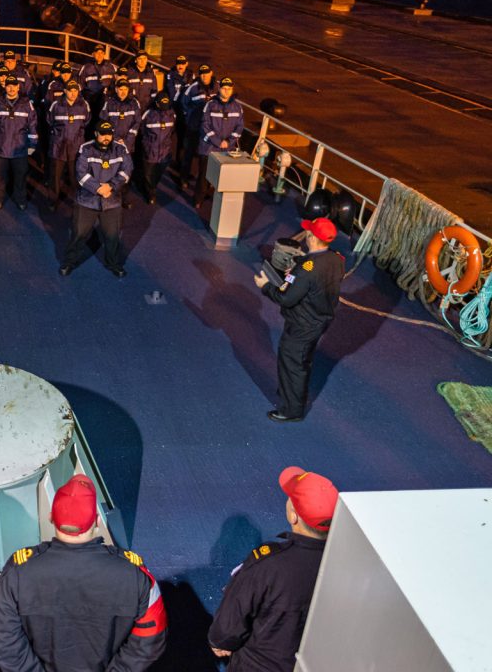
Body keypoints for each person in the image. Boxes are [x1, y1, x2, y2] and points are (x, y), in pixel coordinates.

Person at [0, 474, 167, 672]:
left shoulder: (17, 573)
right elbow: (150, 638)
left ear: (51, 517)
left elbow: (4, 640)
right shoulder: (135, 575)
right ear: (97, 520)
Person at [208, 466, 339, 671]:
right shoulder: (346, 562)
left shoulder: (267, 565)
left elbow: (225, 631)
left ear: (294, 517)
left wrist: (220, 643)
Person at [254, 218, 344, 422]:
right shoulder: (336, 259)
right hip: (318, 320)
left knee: (292, 362)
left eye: (308, 233)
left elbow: (286, 299)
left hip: (303, 323)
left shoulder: (308, 269)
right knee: (301, 359)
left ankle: (292, 410)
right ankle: (290, 391)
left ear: (312, 238)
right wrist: (295, 273)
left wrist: (265, 286)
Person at [59, 122, 133, 278]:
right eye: (102, 134)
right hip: (87, 201)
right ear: (96, 134)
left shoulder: (121, 149)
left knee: (113, 235)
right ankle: (69, 262)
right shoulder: (85, 149)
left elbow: (127, 170)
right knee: (79, 234)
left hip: (111, 201)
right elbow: (80, 173)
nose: (106, 137)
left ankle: (113, 263)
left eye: (109, 134)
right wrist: (98, 189)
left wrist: (111, 186)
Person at [0, 75, 38, 211]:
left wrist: (32, 144)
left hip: (19, 148)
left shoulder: (27, 104)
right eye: (9, 86)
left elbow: (33, 125)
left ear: (18, 87)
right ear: (5, 87)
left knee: (20, 178)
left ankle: (20, 200)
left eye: (14, 86)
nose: (11, 88)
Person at [196, 76, 244, 207]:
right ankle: (198, 200)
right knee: (203, 176)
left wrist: (229, 141)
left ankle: (216, 199)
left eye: (229, 89)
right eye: (224, 88)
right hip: (208, 148)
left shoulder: (237, 107)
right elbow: (205, 125)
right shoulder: (210, 105)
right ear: (219, 89)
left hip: (226, 149)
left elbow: (239, 127)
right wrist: (218, 141)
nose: (227, 91)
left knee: (222, 177)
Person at [45, 80, 89, 211]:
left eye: (76, 90)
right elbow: (49, 121)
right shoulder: (56, 105)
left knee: (76, 176)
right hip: (58, 146)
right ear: (65, 91)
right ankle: (53, 201)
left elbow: (86, 122)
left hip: (76, 147)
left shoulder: (83, 105)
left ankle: (78, 201)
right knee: (55, 177)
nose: (73, 93)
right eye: (70, 90)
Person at [180, 64, 218, 198]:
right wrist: (190, 117)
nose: (204, 76)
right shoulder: (192, 88)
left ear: (211, 73)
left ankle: (207, 183)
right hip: (194, 127)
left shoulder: (217, 87)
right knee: (189, 153)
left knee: (207, 157)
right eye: (202, 73)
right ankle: (183, 178)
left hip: (210, 129)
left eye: (207, 73)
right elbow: (184, 103)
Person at [139, 92, 176, 205]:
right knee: (148, 174)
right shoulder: (148, 114)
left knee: (159, 172)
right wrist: (146, 145)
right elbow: (142, 130)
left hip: (164, 152)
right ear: (156, 104)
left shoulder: (172, 114)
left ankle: (153, 186)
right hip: (151, 150)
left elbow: (172, 130)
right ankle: (151, 193)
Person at [166, 55, 193, 176]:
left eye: (182, 63)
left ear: (187, 64)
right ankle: (163, 159)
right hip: (173, 110)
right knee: (168, 136)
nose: (180, 66)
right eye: (178, 63)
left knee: (183, 139)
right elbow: (172, 94)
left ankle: (180, 163)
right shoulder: (170, 75)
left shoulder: (191, 76)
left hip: (184, 112)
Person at [78, 44, 117, 124]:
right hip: (90, 101)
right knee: (90, 123)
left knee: (103, 123)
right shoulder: (86, 67)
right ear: (93, 54)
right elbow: (80, 84)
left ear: (104, 54)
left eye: (101, 53)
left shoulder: (111, 67)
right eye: (97, 53)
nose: (99, 55)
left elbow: (116, 84)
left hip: (105, 101)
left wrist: (110, 95)